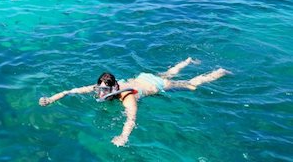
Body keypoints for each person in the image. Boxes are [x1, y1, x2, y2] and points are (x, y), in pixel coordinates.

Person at [39, 57, 231, 147]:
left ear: (114, 88)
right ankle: (187, 61)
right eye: (100, 89)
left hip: (156, 85)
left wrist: (124, 137)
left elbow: (131, 119)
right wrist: (51, 99)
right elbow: (70, 91)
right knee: (169, 72)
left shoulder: (127, 97)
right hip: (143, 77)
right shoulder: (100, 86)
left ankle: (219, 72)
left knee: (191, 85)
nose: (102, 93)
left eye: (106, 90)